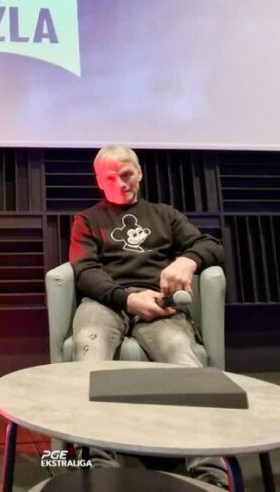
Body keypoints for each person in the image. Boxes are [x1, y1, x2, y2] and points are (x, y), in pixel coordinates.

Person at [69, 144, 228, 488]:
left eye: (126, 174)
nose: (120, 183)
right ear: (99, 181)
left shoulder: (165, 214)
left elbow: (211, 245)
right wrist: (127, 299)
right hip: (106, 301)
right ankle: (99, 468)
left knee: (182, 356)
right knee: (88, 350)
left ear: (139, 173)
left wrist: (188, 260)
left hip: (159, 303)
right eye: (110, 178)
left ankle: (211, 475)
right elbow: (84, 272)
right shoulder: (86, 220)